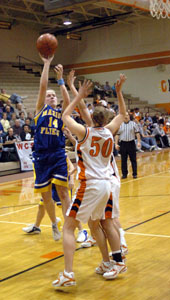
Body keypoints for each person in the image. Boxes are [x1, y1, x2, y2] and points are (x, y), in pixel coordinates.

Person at [52, 75, 126, 289]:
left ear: (93, 118)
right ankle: (107, 261)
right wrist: (119, 92)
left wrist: (79, 96)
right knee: (97, 223)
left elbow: (66, 115)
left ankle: (68, 274)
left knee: (68, 227)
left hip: (91, 184)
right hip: (106, 184)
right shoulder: (110, 131)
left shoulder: (85, 132)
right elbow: (122, 113)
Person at [32, 55, 71, 241]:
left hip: (57, 155)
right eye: (49, 95)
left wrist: (61, 81)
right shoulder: (40, 109)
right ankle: (54, 224)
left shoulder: (61, 113)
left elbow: (68, 101)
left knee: (63, 192)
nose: (52, 96)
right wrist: (47, 64)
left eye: (54, 95)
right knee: (46, 196)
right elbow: (42, 86)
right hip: (41, 157)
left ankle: (69, 228)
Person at [115, 112, 141, 179]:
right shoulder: (120, 125)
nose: (126, 116)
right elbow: (117, 135)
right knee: (123, 160)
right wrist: (116, 143)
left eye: (127, 115)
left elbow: (137, 133)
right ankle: (124, 174)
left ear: (129, 116)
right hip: (123, 143)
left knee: (133, 159)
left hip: (131, 143)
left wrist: (138, 142)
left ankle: (134, 174)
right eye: (124, 115)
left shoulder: (133, 124)